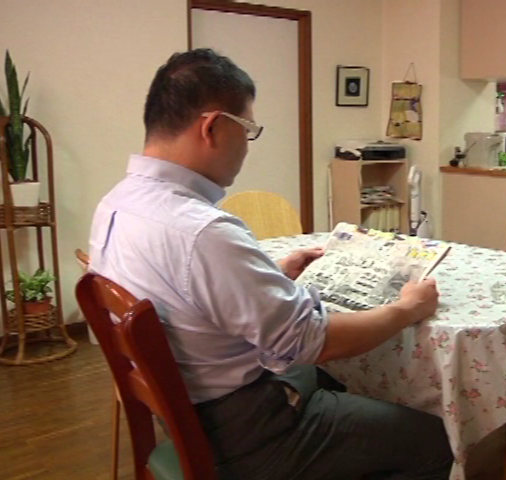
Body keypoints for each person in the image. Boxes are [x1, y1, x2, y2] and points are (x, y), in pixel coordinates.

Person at [88, 48, 453, 480]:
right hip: (245, 433)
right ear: (211, 127)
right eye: (247, 130)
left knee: (332, 378)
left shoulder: (116, 204)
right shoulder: (203, 232)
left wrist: (272, 274)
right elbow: (313, 341)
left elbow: (185, 296)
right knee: (433, 441)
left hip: (186, 410)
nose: (247, 146)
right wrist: (407, 308)